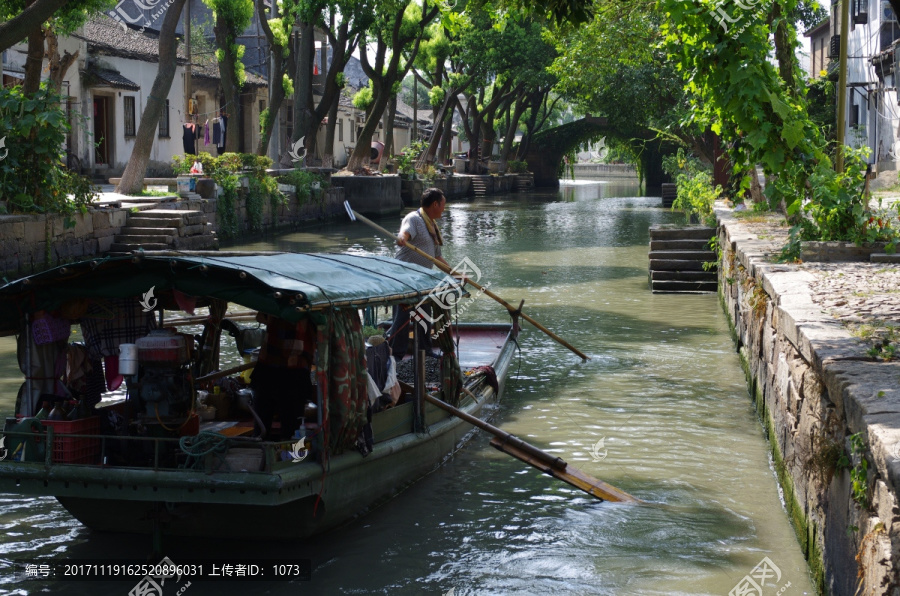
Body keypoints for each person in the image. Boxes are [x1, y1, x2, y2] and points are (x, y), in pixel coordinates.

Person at [386, 188, 449, 362]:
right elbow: (404, 233)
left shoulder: (432, 227)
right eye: (443, 205)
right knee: (402, 318)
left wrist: (454, 273)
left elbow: (437, 257)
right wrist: (402, 238)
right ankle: (397, 356)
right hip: (405, 279)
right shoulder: (414, 219)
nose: (444, 208)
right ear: (435, 204)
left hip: (423, 280)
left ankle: (425, 351)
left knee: (424, 316)